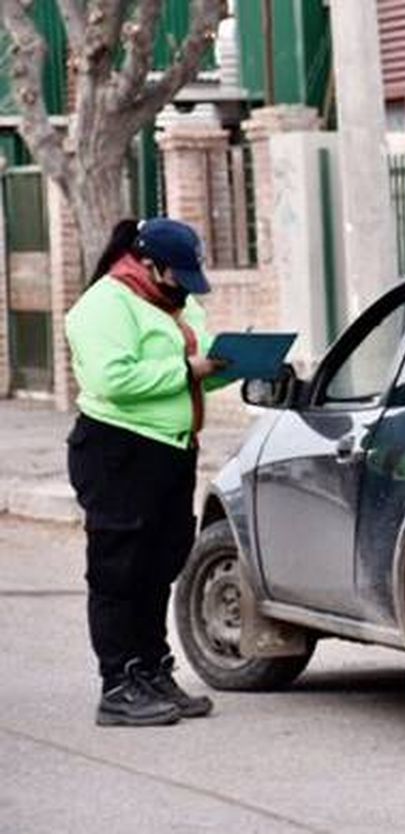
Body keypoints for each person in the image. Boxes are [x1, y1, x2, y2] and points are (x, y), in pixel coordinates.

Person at [65, 217, 230, 727]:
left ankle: (153, 671)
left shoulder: (177, 303)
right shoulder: (102, 305)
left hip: (172, 450)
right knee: (119, 570)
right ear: (148, 263)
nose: (184, 285)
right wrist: (188, 371)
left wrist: (231, 367)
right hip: (118, 452)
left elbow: (197, 369)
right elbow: (111, 379)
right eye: (176, 274)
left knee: (160, 565)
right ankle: (119, 682)